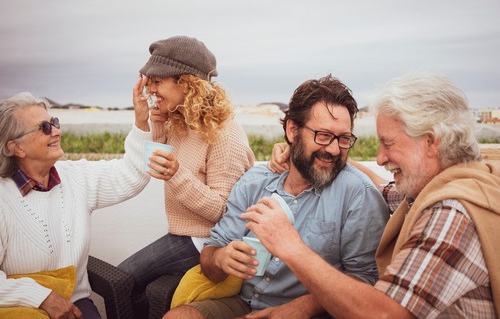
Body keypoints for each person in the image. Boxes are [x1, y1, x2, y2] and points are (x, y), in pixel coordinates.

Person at [246, 72, 500, 318]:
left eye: (388, 143)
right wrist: (312, 152)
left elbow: (383, 313)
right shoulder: (445, 187)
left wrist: (290, 246)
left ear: (431, 142)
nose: (380, 158)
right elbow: (383, 187)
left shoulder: (451, 213)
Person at [165, 74, 390, 319]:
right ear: (293, 130)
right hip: (243, 302)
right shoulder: (254, 182)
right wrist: (220, 258)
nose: (334, 149)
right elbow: (211, 255)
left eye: (344, 139)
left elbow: (365, 280)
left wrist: (303, 307)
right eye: (323, 135)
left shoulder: (358, 195)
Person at [117, 35, 255, 318]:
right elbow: (157, 163)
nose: (151, 89)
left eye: (157, 81)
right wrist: (148, 121)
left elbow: (224, 211)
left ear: (185, 82)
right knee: (132, 285)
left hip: (205, 241)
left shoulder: (225, 134)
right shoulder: (182, 119)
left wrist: (177, 174)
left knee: (120, 279)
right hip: (183, 234)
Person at [0, 86, 153, 318]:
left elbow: (131, 176)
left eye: (55, 122)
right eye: (44, 127)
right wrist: (41, 298)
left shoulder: (77, 177)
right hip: (18, 309)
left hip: (76, 305)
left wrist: (142, 122)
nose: (56, 132)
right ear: (16, 147)